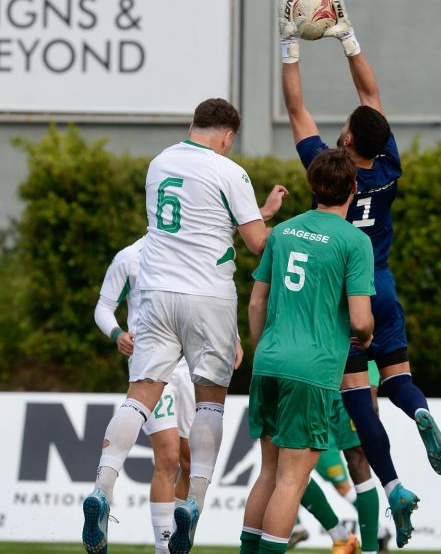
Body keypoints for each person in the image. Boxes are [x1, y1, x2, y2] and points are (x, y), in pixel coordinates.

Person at [278, 0, 441, 547]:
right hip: (382, 285)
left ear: (348, 139)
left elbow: (296, 111)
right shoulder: (390, 165)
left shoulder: (327, 167)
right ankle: (418, 411)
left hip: (343, 296)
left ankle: (394, 483)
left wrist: (290, 43)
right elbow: (370, 94)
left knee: (357, 396)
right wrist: (346, 37)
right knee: (397, 379)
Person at [82, 98, 288, 554]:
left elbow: (199, 221)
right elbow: (258, 245)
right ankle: (193, 501)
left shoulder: (159, 164)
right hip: (208, 296)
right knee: (211, 399)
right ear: (228, 137)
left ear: (193, 124)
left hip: (156, 293)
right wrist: (289, 231)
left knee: (139, 395)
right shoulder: (230, 171)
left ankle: (101, 487)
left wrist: (259, 210)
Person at [240, 148, 374, 554]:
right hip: (311, 370)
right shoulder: (355, 241)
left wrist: (264, 350)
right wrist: (366, 337)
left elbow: (256, 304)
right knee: (291, 482)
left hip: (269, 361)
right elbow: (361, 320)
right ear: (354, 188)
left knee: (268, 474)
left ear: (312, 185)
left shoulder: (282, 232)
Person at [95, 235, 243, 554]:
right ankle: (163, 546)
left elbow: (213, 294)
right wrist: (117, 333)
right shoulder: (130, 257)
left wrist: (234, 336)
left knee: (188, 461)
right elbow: (103, 307)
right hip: (153, 363)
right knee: (168, 455)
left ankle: (177, 541)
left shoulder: (191, 247)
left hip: (191, 367)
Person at [290, 362, 390, 554]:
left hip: (346, 392)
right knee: (289, 468)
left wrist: (370, 389)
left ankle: (369, 536)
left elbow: (368, 347)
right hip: (312, 392)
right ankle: (333, 534)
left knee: (351, 474)